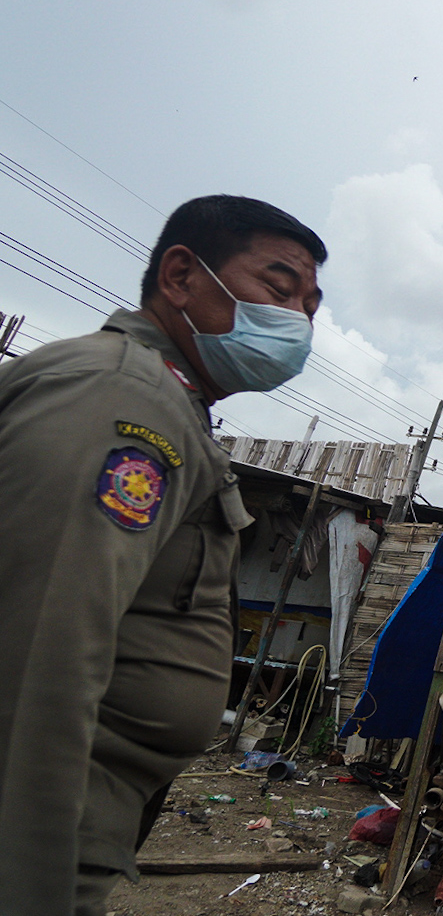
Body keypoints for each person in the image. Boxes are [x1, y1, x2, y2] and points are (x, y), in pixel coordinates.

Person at [0, 195, 327, 915]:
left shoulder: (174, 409)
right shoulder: (122, 394)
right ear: (181, 276)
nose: (297, 320)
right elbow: (38, 652)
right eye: (279, 289)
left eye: (310, 305)